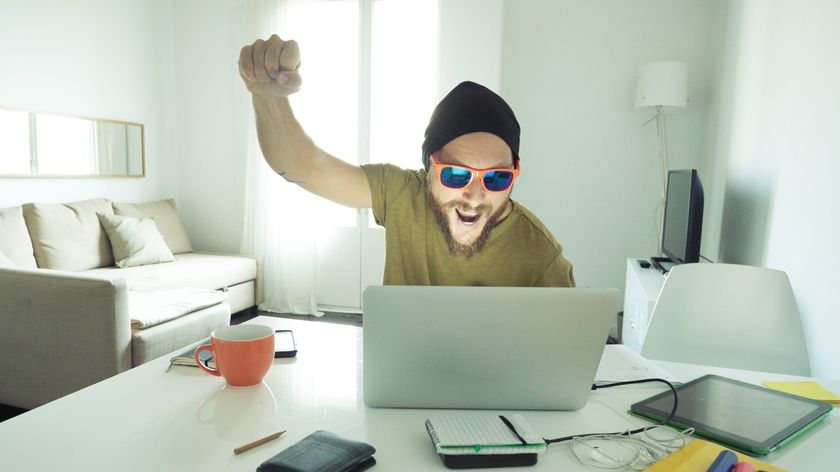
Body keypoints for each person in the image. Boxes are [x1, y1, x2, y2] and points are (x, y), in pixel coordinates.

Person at [239, 35, 574, 287]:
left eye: (497, 178)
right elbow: (301, 165)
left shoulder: (541, 256)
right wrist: (267, 97)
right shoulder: (402, 195)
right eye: (456, 175)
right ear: (428, 169)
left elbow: (570, 353)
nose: (475, 197)